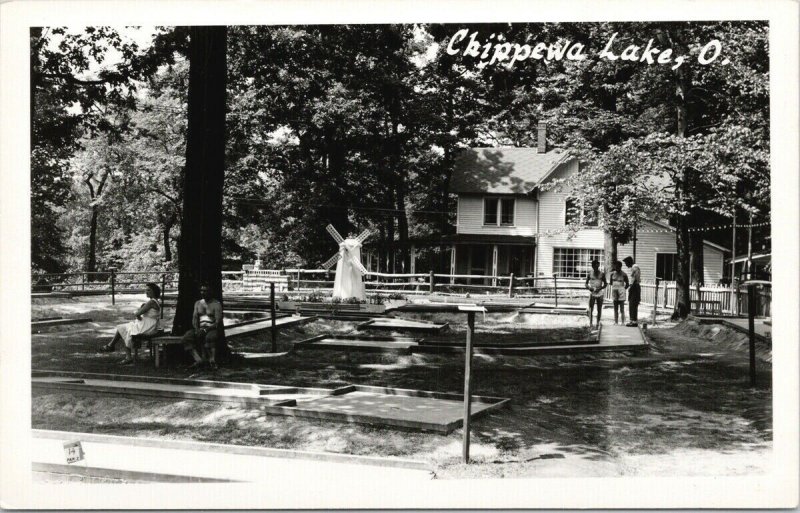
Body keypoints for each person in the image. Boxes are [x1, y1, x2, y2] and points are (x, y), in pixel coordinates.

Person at [100, 283, 161, 364]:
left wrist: (140, 311)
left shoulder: (151, 302)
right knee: (124, 327)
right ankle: (112, 346)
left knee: (126, 328)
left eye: (149, 290)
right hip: (150, 325)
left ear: (154, 292)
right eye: (146, 290)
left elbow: (137, 314)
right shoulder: (155, 302)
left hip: (147, 326)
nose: (146, 292)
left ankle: (117, 350)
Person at [181, 283, 223, 370]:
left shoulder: (216, 304)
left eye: (205, 291)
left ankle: (212, 361)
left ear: (211, 292)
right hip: (200, 328)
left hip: (211, 328)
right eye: (201, 290)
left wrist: (205, 330)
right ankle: (198, 360)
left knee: (210, 337)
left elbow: (217, 322)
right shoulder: (198, 303)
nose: (203, 293)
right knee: (186, 337)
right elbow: (194, 318)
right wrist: (196, 329)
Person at [584, 259, 607, 329]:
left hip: (599, 293)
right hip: (592, 292)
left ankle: (598, 322)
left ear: (599, 266)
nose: (596, 268)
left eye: (597, 266)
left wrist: (601, 288)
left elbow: (605, 284)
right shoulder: (590, 273)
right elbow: (586, 283)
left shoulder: (602, 274)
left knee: (599, 309)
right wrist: (589, 288)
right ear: (592, 266)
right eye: (594, 266)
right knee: (591, 308)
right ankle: (590, 323)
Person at [609, 260, 629, 325]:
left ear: (620, 267)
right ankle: (616, 321)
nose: (617, 268)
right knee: (615, 307)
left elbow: (627, 284)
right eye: (616, 266)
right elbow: (611, 283)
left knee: (622, 308)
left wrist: (623, 289)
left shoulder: (624, 274)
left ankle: (623, 322)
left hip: (621, 291)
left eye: (618, 266)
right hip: (615, 290)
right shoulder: (612, 274)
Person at [623, 256, 641, 326]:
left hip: (634, 287)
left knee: (633, 304)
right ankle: (633, 320)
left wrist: (631, 288)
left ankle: (633, 321)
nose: (626, 265)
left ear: (629, 262)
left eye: (626, 263)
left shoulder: (635, 268)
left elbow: (635, 279)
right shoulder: (634, 268)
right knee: (632, 304)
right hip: (634, 286)